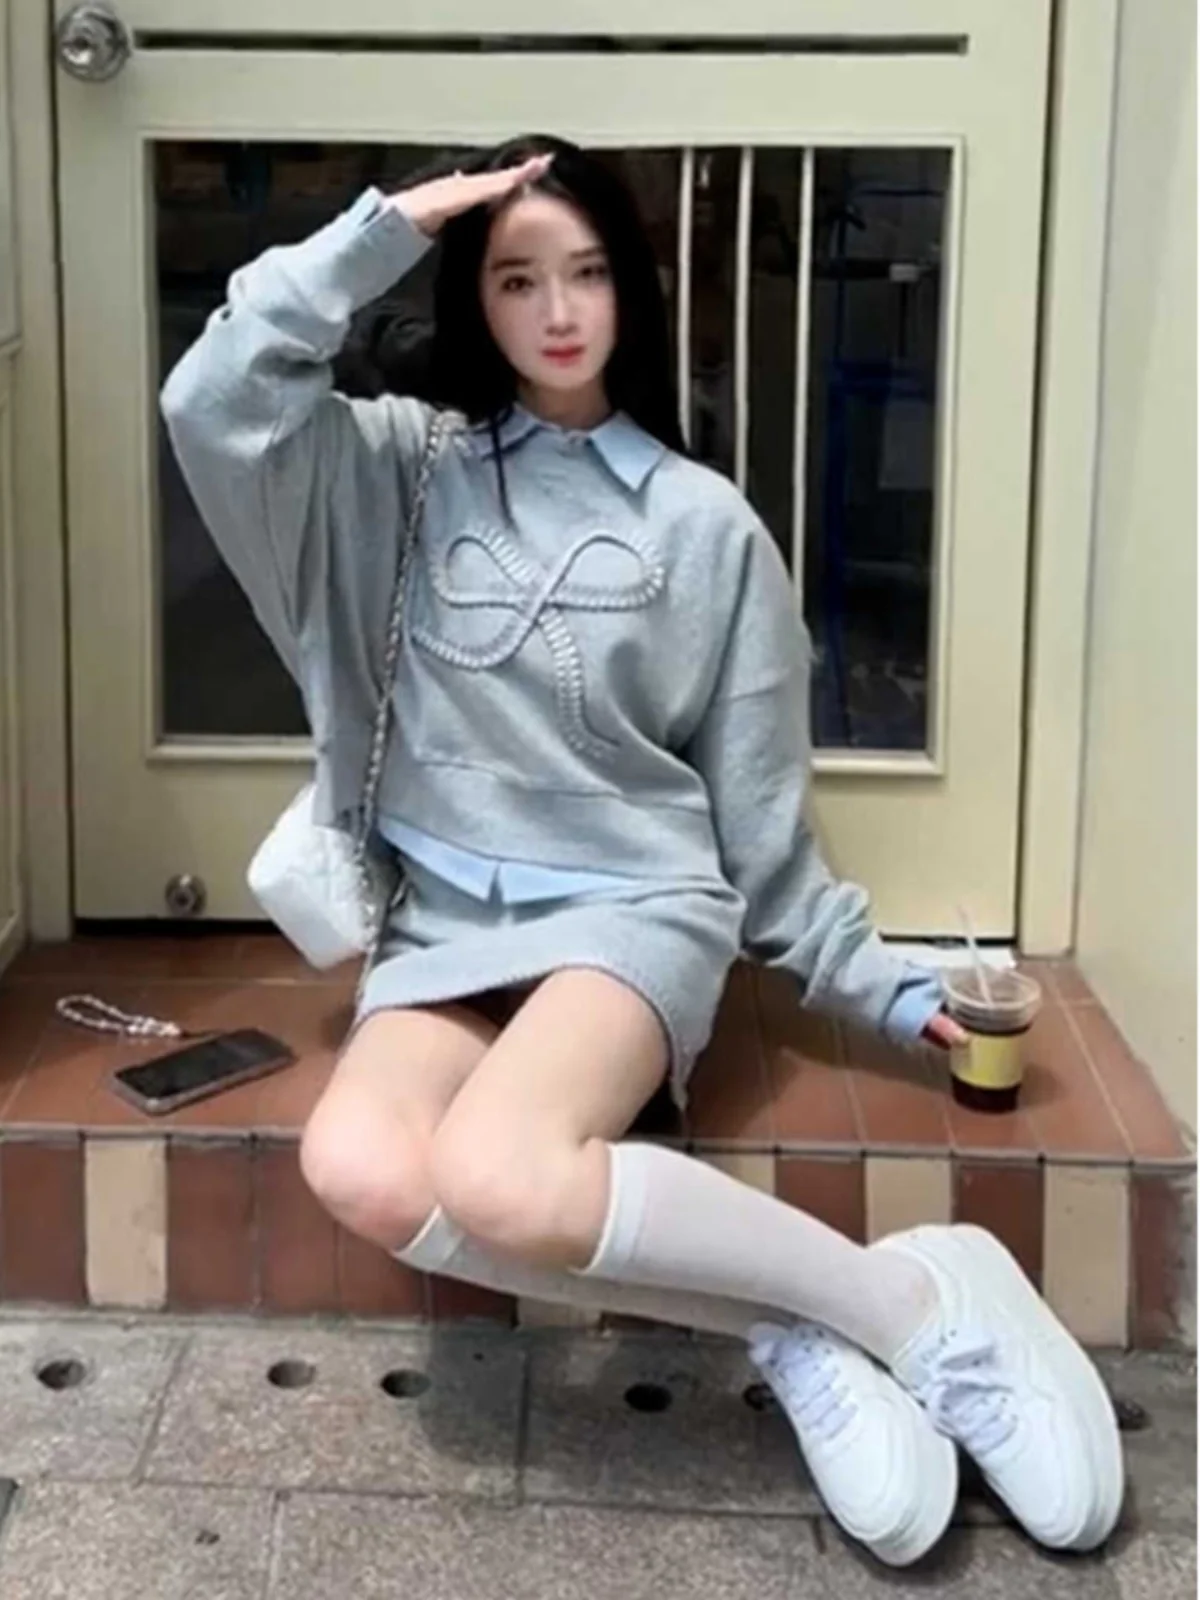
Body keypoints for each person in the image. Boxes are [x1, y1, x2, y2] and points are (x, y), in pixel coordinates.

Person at [160, 134, 1123, 1568]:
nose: (558, 311)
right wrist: (388, 226)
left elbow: (760, 831)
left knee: (502, 1174)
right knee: (361, 1166)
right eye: (516, 278)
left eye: (590, 273)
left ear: (633, 290)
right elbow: (211, 397)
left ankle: (929, 1321)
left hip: (632, 907)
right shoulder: (387, 470)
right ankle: (818, 1318)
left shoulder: (703, 524)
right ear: (470, 296)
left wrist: (879, 984)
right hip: (444, 923)